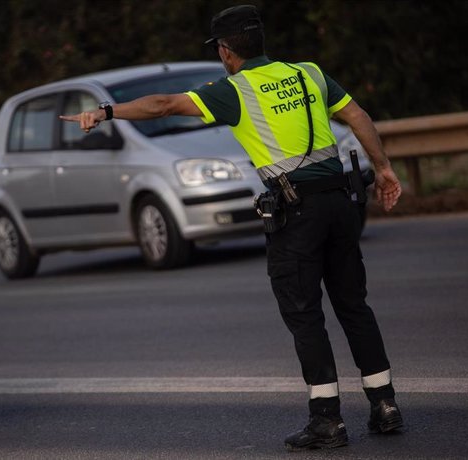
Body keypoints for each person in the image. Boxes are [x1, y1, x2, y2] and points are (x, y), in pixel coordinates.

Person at [61, 4, 403, 451]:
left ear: (225, 51)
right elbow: (358, 117)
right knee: (354, 306)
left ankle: (327, 420)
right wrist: (384, 170)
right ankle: (385, 406)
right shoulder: (308, 73)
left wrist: (105, 112)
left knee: (305, 314)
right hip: (340, 204)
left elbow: (164, 105)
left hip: (296, 213)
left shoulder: (235, 90)